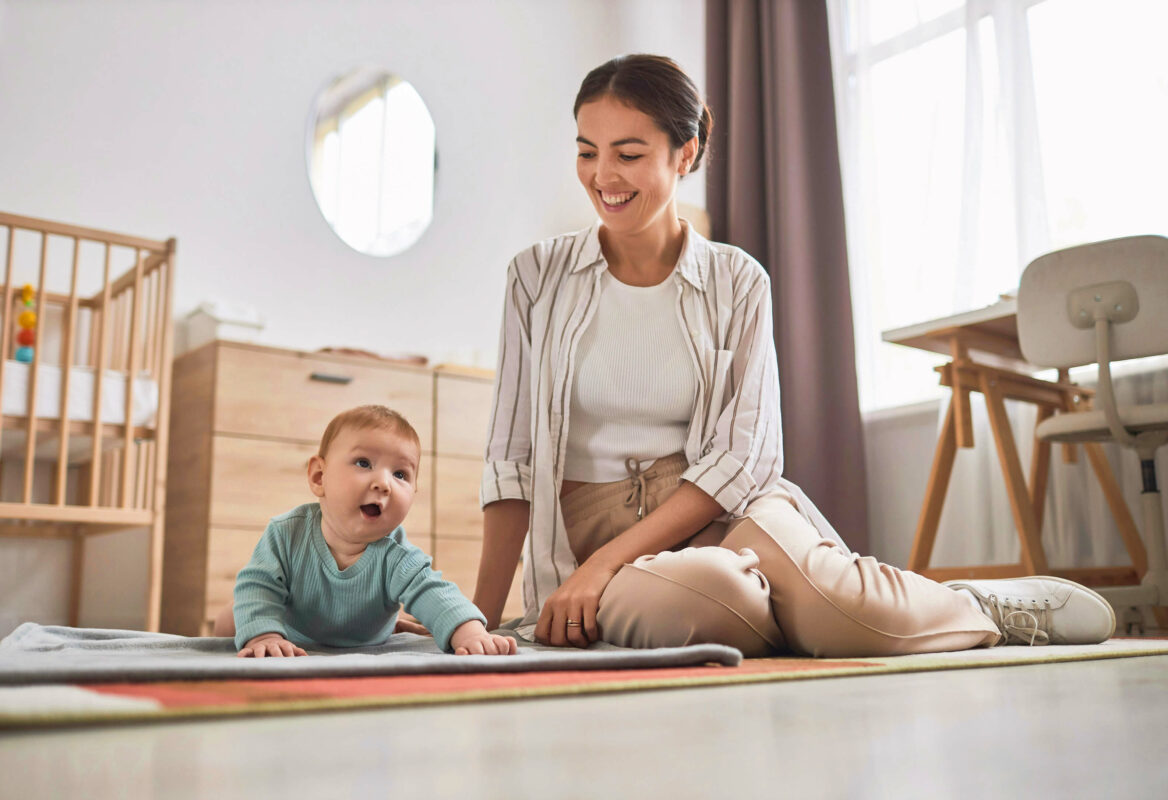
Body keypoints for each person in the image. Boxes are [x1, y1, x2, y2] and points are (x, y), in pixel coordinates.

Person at [471, 54, 1115, 657]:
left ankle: (977, 608)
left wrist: (602, 569)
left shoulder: (738, 281)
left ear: (685, 153)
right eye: (587, 152)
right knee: (712, 602)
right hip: (596, 536)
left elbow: (745, 456)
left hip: (725, 509)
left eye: (628, 154)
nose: (602, 176)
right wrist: (477, 615)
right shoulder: (536, 277)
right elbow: (513, 459)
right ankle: (801, 609)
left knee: (842, 610)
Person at [214, 405, 517, 658]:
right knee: (231, 619)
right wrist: (264, 636)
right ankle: (260, 628)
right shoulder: (286, 533)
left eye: (400, 474)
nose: (383, 483)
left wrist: (471, 631)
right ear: (320, 476)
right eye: (363, 463)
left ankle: (389, 624)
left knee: (426, 617)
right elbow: (259, 584)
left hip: (363, 638)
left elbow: (433, 591)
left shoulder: (397, 556)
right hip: (293, 634)